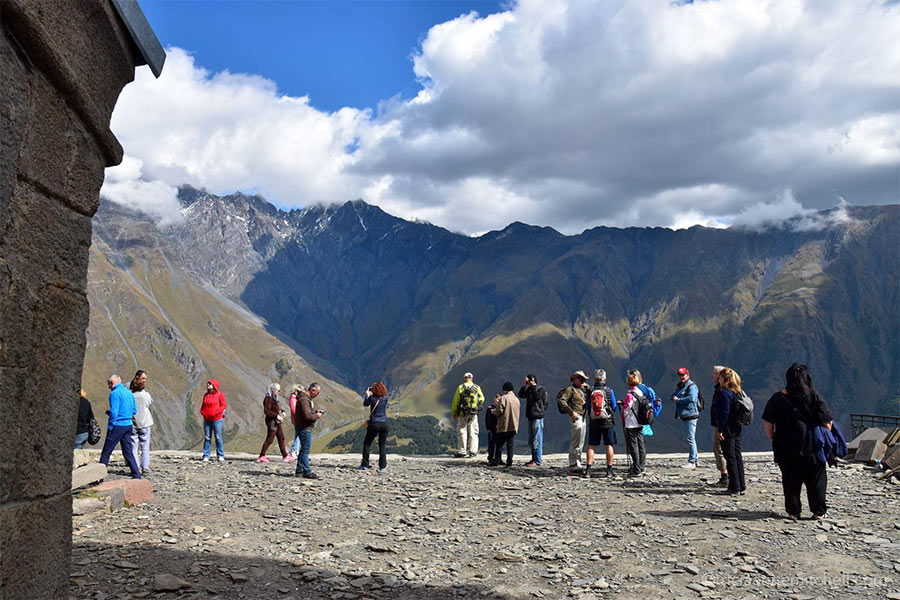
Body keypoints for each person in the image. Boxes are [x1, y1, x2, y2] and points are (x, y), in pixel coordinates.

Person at [762, 364, 835, 519]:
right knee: (816, 480)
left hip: (785, 446)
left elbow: (768, 421)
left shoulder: (777, 398)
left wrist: (773, 437)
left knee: (790, 481)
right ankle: (818, 512)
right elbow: (827, 422)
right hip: (812, 446)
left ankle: (793, 512)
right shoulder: (813, 397)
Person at [98, 374, 141, 479]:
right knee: (128, 451)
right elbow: (134, 410)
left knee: (106, 451)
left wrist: (111, 426)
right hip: (128, 425)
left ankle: (99, 475)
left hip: (118, 425)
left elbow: (114, 412)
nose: (108, 387)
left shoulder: (114, 394)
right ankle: (136, 473)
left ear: (112, 383)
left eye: (109, 384)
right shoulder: (129, 393)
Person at [714, 367, 746, 495]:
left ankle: (734, 486)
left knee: (729, 456)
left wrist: (720, 429)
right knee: (737, 455)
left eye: (720, 377)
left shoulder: (724, 394)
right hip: (737, 426)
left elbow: (724, 413)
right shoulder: (737, 392)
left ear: (724, 379)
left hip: (728, 427)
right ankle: (741, 484)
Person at [585, 369, 617, 478]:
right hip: (608, 421)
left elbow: (587, 406)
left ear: (595, 379)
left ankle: (588, 470)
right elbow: (614, 407)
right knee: (609, 445)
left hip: (594, 421)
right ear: (604, 379)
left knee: (592, 446)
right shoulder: (609, 391)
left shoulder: (591, 391)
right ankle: (609, 470)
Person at [559, 370, 590, 475]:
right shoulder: (570, 389)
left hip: (583, 417)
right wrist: (571, 412)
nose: (582, 381)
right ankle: (573, 464)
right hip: (576, 417)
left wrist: (587, 387)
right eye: (580, 378)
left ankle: (578, 463)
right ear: (575, 379)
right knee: (575, 442)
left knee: (581, 442)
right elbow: (562, 401)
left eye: (583, 379)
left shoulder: (583, 390)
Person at [294, 383, 325, 479]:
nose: (317, 395)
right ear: (313, 391)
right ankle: (307, 472)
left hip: (301, 427)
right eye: (317, 393)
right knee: (305, 450)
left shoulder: (304, 399)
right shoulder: (304, 400)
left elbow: (306, 412)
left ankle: (299, 470)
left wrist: (314, 411)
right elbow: (307, 416)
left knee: (303, 449)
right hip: (305, 428)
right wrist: (317, 416)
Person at [672, 367, 700, 469]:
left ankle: (692, 461)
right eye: (680, 375)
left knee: (690, 438)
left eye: (683, 375)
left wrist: (678, 400)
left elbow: (692, 398)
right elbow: (674, 395)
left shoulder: (692, 386)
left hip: (691, 415)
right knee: (691, 437)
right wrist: (674, 398)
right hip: (685, 415)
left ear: (687, 375)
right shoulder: (680, 386)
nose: (681, 377)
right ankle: (695, 459)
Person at [451, 372, 485, 458]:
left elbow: (456, 401)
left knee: (462, 431)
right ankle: (473, 451)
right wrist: (476, 406)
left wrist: (455, 412)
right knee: (473, 432)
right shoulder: (477, 387)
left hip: (462, 413)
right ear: (472, 378)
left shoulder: (461, 387)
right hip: (473, 413)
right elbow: (482, 398)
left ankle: (462, 451)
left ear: (464, 378)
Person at [359, 382, 390, 472]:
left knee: (367, 443)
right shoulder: (385, 398)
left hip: (374, 423)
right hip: (384, 423)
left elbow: (365, 404)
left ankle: (364, 464)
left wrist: (367, 395)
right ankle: (382, 466)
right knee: (382, 445)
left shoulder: (372, 398)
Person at [259, 383, 293, 463]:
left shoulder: (274, 398)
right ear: (273, 390)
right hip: (271, 422)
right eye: (278, 390)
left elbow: (277, 408)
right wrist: (276, 415)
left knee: (281, 437)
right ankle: (262, 456)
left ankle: (285, 455)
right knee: (270, 438)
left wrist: (282, 411)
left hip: (276, 421)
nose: (279, 392)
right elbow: (266, 411)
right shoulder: (268, 398)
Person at [518, 373, 547, 467]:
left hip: (537, 417)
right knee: (531, 440)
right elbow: (521, 394)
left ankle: (537, 460)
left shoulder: (540, 389)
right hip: (530, 417)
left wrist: (533, 386)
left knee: (537, 440)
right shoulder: (529, 389)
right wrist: (524, 385)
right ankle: (534, 458)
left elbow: (537, 397)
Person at [489, 382, 520, 467]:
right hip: (513, 425)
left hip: (504, 425)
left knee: (499, 444)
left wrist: (493, 412)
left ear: (505, 389)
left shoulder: (504, 398)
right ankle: (509, 461)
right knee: (510, 444)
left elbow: (500, 411)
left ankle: (496, 461)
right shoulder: (516, 399)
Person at [622, 369, 646, 477]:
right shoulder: (640, 392)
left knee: (633, 446)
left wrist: (623, 417)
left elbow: (626, 410)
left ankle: (636, 469)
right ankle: (642, 466)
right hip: (639, 422)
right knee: (641, 444)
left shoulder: (629, 394)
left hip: (631, 423)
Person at [129, 370, 153, 476]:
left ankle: (135, 467)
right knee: (145, 446)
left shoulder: (130, 396)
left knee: (134, 446)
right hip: (145, 423)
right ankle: (145, 467)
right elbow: (149, 403)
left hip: (133, 423)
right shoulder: (145, 395)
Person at [708, 366, 728, 486]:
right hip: (719, 423)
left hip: (720, 424)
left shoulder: (722, 391)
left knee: (719, 448)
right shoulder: (720, 389)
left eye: (714, 374)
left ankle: (724, 475)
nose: (712, 375)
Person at [200, 379, 227, 462]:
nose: (208, 385)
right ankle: (206, 455)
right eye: (208, 383)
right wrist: (203, 412)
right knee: (207, 437)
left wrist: (217, 412)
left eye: (210, 384)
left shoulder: (220, 395)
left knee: (218, 437)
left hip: (216, 419)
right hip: (207, 419)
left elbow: (223, 405)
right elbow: (203, 405)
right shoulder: (206, 395)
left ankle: (220, 455)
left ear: (214, 385)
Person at [288, 383, 305, 457]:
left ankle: (295, 450)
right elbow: (294, 410)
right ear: (295, 391)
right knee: (298, 435)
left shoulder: (294, 398)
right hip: (297, 419)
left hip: (297, 419)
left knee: (298, 435)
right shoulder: (293, 399)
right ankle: (294, 450)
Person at [485, 397, 498, 464]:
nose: (498, 401)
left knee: (498, 445)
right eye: (497, 399)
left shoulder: (501, 408)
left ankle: (498, 458)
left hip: (499, 429)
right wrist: (488, 428)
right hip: (491, 429)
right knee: (491, 444)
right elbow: (487, 419)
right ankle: (490, 458)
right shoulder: (490, 408)